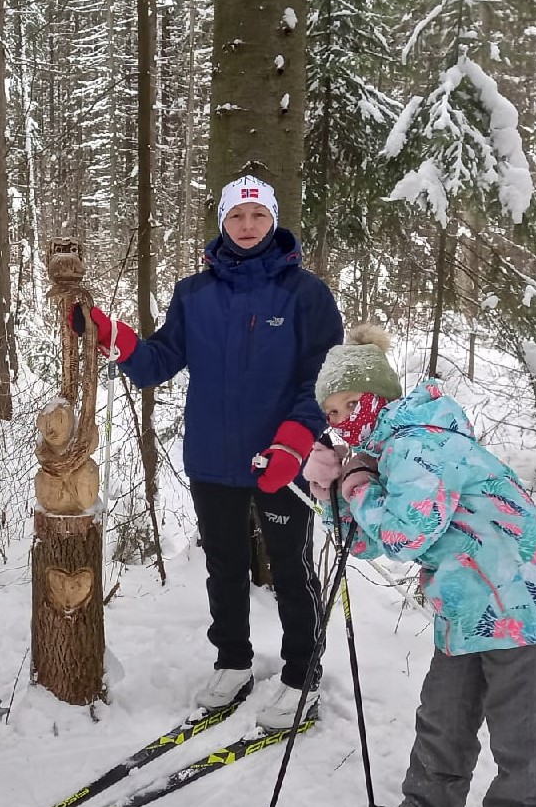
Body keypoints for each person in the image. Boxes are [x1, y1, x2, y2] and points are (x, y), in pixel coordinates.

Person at [305, 324, 536, 807]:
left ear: (377, 396)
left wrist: (358, 485)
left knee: (520, 731)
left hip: (526, 603)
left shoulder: (420, 442)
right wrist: (332, 494)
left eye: (348, 405)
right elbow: (367, 542)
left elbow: (405, 535)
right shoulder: (388, 451)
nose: (341, 421)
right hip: (469, 605)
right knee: (444, 713)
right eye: (332, 413)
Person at [76, 175, 343, 729]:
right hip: (213, 457)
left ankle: (302, 672)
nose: (247, 225)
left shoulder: (306, 294)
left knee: (291, 567)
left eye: (258, 215)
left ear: (274, 221)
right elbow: (159, 360)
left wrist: (296, 440)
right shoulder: (194, 294)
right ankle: (233, 661)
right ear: (222, 222)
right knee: (224, 566)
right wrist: (111, 335)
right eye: (236, 216)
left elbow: (324, 377)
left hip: (282, 458)